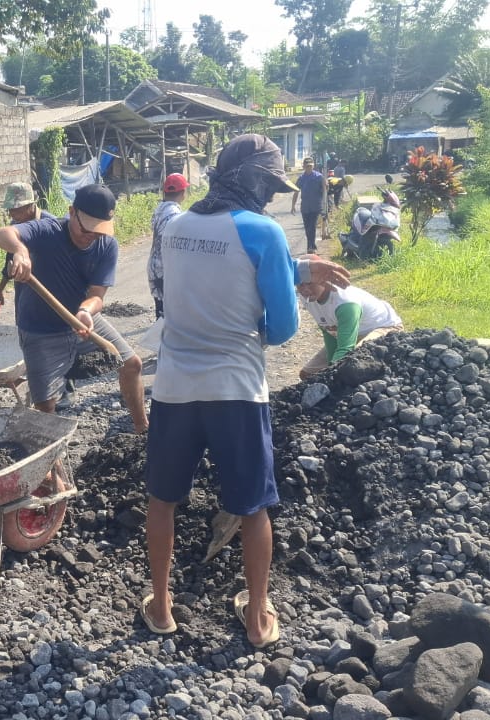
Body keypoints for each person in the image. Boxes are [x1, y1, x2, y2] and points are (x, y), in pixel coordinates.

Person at [141, 134, 350, 648]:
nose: (271, 196)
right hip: (236, 389)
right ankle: (257, 618)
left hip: (173, 387)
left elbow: (208, 268)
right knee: (252, 506)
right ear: (252, 180)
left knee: (162, 499)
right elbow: (279, 329)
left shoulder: (174, 225)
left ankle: (162, 607)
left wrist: (290, 268)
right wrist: (289, 279)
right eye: (268, 184)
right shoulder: (265, 232)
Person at [0, 183, 149, 433]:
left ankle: (142, 430)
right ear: (71, 212)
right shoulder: (47, 230)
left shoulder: (106, 245)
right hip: (40, 329)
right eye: (87, 229)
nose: (91, 236)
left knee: (132, 364)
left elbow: (97, 295)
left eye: (99, 231)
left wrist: (86, 311)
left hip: (81, 320)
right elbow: (2, 233)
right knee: (46, 405)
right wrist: (21, 251)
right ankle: (50, 467)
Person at [297, 275, 403, 381]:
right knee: (307, 375)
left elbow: (345, 348)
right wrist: (330, 364)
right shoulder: (307, 298)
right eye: (300, 285)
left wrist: (330, 374)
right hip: (351, 332)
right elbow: (328, 332)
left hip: (383, 327)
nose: (305, 289)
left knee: (355, 360)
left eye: (310, 283)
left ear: (324, 279)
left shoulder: (346, 304)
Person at [148, 172, 188, 319]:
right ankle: (162, 340)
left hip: (154, 267)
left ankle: (159, 338)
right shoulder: (175, 214)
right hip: (166, 270)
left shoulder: (159, 209)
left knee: (161, 311)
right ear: (183, 192)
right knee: (170, 315)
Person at [290, 157, 325, 254]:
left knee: (312, 226)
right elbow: (296, 192)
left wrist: (324, 205)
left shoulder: (319, 177)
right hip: (305, 207)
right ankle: (311, 245)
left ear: (313, 166)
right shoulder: (301, 178)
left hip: (316, 206)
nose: (309, 167)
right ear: (304, 166)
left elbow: (325, 191)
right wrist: (293, 205)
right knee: (307, 227)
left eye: (310, 166)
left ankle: (310, 246)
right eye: (307, 166)